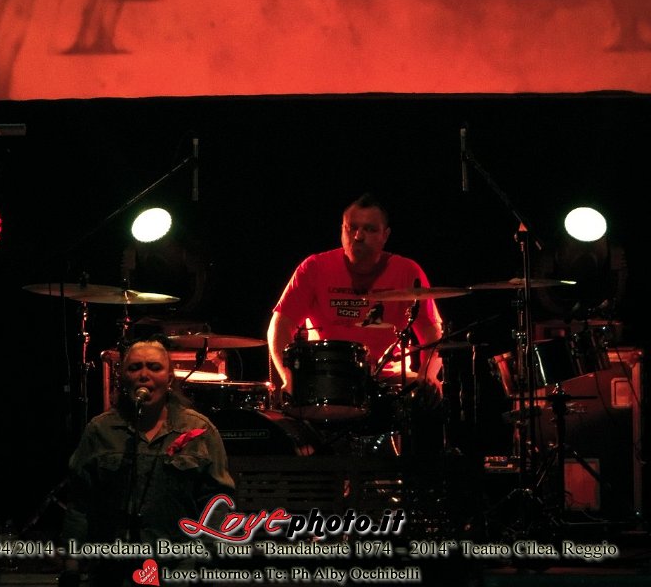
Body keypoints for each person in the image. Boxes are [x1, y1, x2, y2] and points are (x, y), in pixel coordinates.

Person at [60, 333, 234, 587]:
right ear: (122, 378)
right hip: (113, 571)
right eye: (135, 368)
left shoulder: (198, 430)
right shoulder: (101, 430)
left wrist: (208, 564)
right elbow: (80, 501)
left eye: (154, 367)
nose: (144, 375)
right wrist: (71, 566)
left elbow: (217, 503)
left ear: (169, 378)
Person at [267, 192, 445, 407]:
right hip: (328, 378)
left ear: (385, 235)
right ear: (341, 230)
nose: (359, 236)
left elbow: (431, 331)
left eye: (370, 229)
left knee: (430, 400)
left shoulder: (407, 271)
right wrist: (290, 378)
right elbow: (280, 325)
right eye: (351, 228)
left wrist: (427, 373)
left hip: (389, 380)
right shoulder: (314, 268)